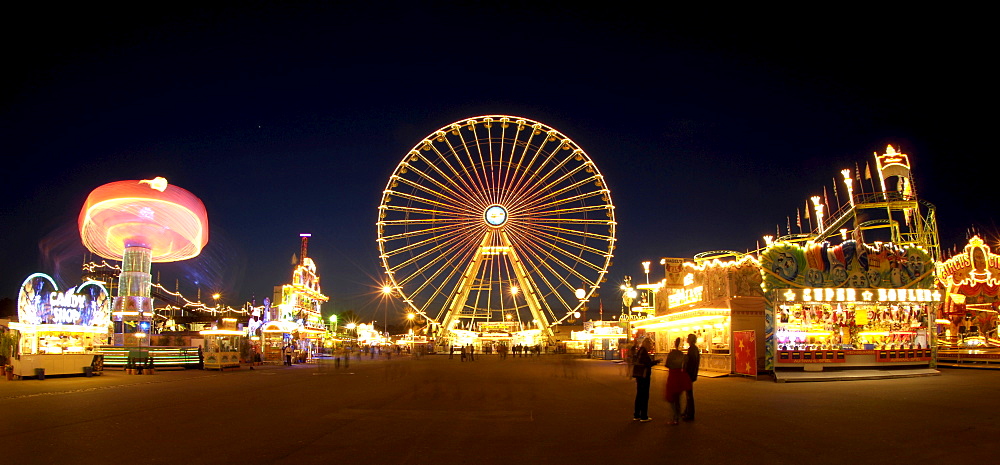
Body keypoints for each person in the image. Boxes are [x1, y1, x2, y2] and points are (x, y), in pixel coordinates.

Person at [664, 337, 692, 425]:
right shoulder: (682, 355)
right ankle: (677, 416)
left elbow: (667, 364)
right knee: (677, 398)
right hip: (680, 376)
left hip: (673, 376)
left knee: (672, 398)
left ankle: (675, 417)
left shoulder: (672, 354)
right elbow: (686, 364)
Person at [632, 337, 656, 422]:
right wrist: (656, 362)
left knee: (639, 395)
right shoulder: (644, 352)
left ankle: (637, 414)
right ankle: (644, 416)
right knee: (644, 395)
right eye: (651, 344)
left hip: (639, 375)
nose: (651, 346)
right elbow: (647, 364)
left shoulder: (640, 351)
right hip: (644, 376)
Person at [682, 333, 701, 421]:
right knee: (688, 393)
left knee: (689, 394)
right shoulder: (694, 349)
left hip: (689, 374)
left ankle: (690, 414)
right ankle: (687, 411)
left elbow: (691, 363)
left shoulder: (692, 349)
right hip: (692, 373)